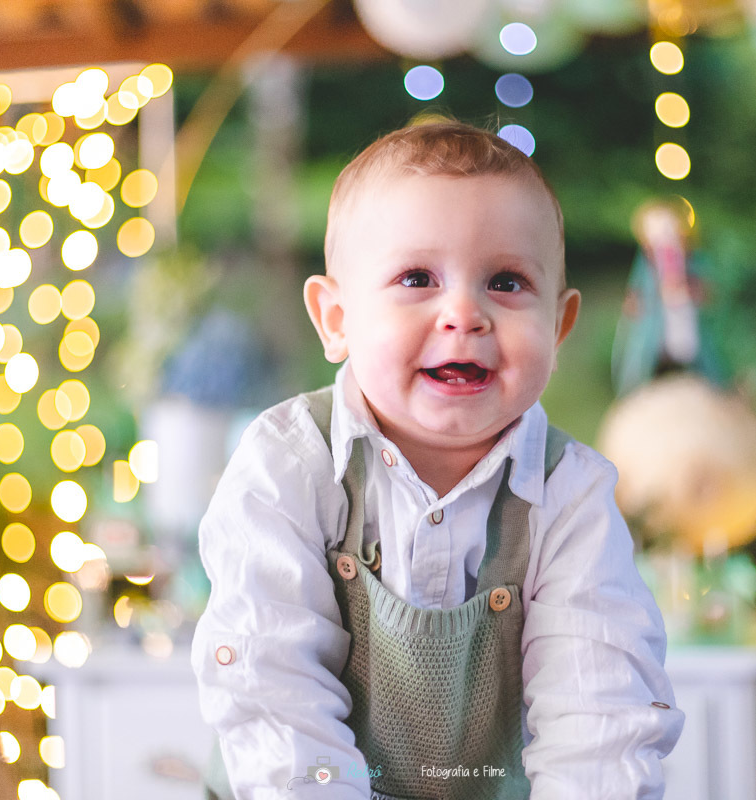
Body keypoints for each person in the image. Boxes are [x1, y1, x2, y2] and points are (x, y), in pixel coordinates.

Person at [192, 120, 683, 799]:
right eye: (417, 277)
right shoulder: (289, 466)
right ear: (336, 319)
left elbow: (599, 714)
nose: (465, 313)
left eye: (507, 282)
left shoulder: (570, 495)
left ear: (560, 326)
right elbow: (271, 684)